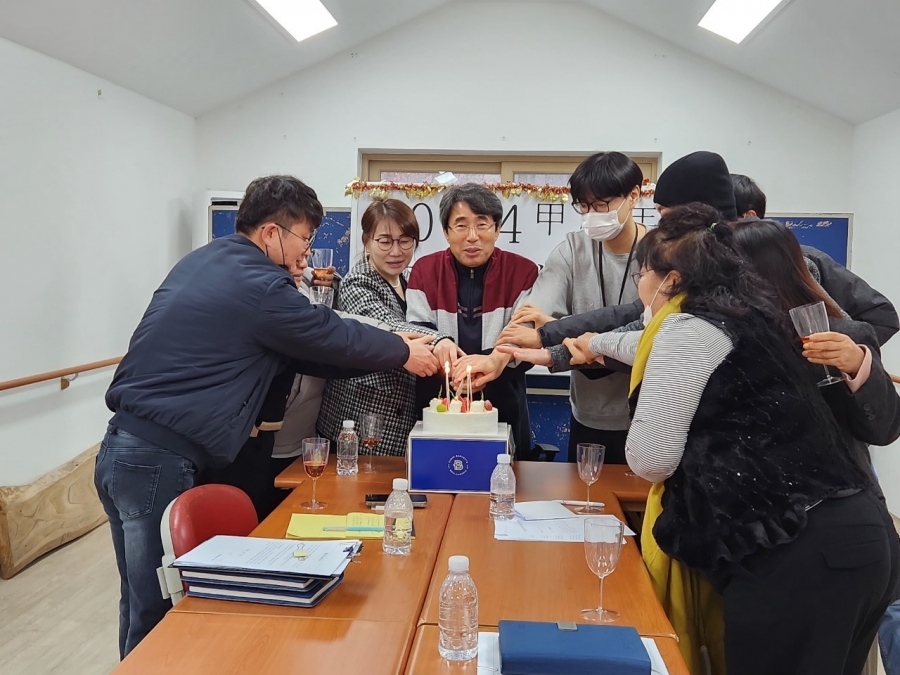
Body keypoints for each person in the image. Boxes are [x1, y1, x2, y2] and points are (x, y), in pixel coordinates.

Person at [94, 175, 439, 658]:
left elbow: (305, 351)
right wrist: (402, 351)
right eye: (305, 239)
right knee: (160, 608)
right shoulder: (259, 284)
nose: (307, 253)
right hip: (156, 459)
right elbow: (326, 332)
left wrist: (392, 354)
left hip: (125, 451)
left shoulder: (209, 261)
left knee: (139, 599)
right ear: (272, 233)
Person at [595, 204, 899, 675]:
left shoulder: (691, 327)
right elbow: (632, 342)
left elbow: (651, 458)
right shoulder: (762, 324)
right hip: (858, 540)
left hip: (795, 554)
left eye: (642, 274)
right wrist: (588, 343)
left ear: (671, 280)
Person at [499, 152, 646, 463]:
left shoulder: (660, 254)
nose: (592, 214)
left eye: (601, 205)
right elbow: (530, 316)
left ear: (634, 195)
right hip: (587, 415)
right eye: (584, 206)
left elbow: (651, 328)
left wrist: (557, 325)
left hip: (649, 416)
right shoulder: (571, 251)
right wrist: (497, 357)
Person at [407, 183, 539, 458]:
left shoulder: (523, 272)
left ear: (497, 228)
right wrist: (440, 347)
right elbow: (418, 331)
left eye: (482, 224)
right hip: (438, 409)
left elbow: (527, 336)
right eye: (461, 225)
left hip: (504, 407)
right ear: (446, 231)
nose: (472, 236)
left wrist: (491, 362)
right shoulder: (424, 272)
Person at [318, 199, 455, 456]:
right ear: (367, 242)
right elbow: (388, 326)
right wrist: (440, 340)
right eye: (385, 241)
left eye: (405, 241)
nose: (396, 251)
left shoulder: (409, 281)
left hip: (401, 424)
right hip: (361, 426)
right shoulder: (357, 282)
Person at [731, 172, 899, 345]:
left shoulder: (806, 260)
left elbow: (882, 317)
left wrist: (842, 352)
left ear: (749, 217)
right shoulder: (718, 264)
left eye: (719, 219)